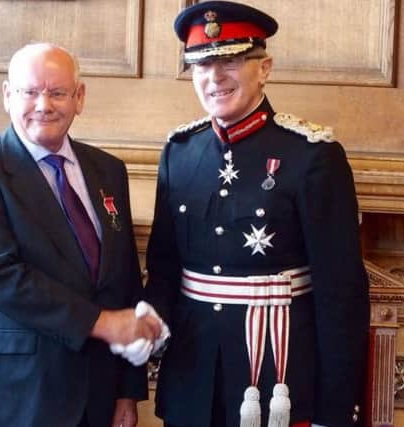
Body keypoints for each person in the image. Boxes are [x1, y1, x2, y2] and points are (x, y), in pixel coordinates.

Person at [144, 2, 370, 427]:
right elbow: (163, 269)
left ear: (263, 67)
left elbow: (341, 295)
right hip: (191, 377)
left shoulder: (312, 155)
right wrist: (149, 321)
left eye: (229, 61)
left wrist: (335, 411)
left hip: (277, 375)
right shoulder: (179, 152)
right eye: (202, 64)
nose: (214, 77)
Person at [0, 43, 164, 427]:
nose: (44, 104)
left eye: (58, 92)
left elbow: (125, 280)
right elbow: (0, 279)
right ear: (8, 96)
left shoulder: (108, 171)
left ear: (79, 98)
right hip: (9, 396)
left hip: (95, 395)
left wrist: (127, 392)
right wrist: (103, 323)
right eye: (30, 92)